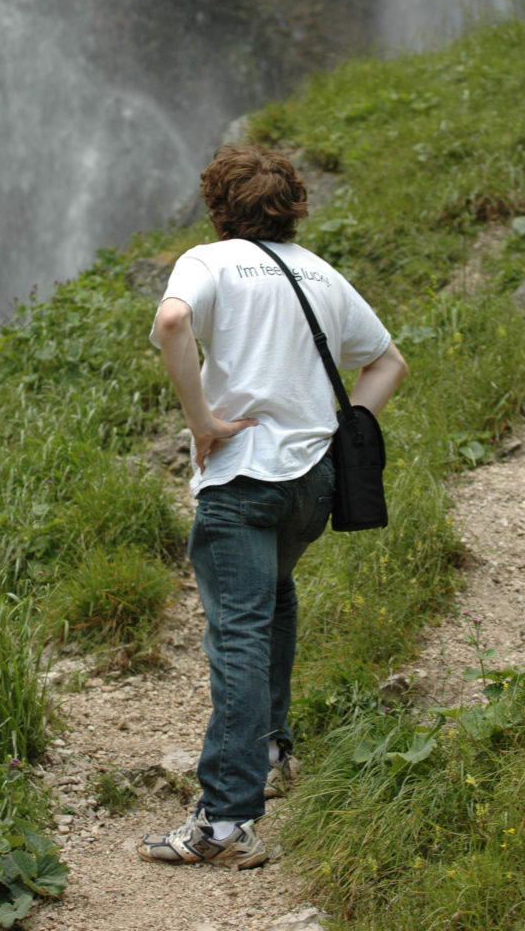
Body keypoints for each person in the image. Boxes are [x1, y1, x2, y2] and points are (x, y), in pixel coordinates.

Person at [137, 144, 408, 870]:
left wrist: (201, 422)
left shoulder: (210, 261)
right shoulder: (320, 273)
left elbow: (170, 324)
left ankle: (224, 822)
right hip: (310, 486)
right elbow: (387, 362)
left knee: (238, 634)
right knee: (274, 599)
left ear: (219, 205)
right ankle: (269, 749)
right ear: (292, 204)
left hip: (241, 480)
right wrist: (340, 431)